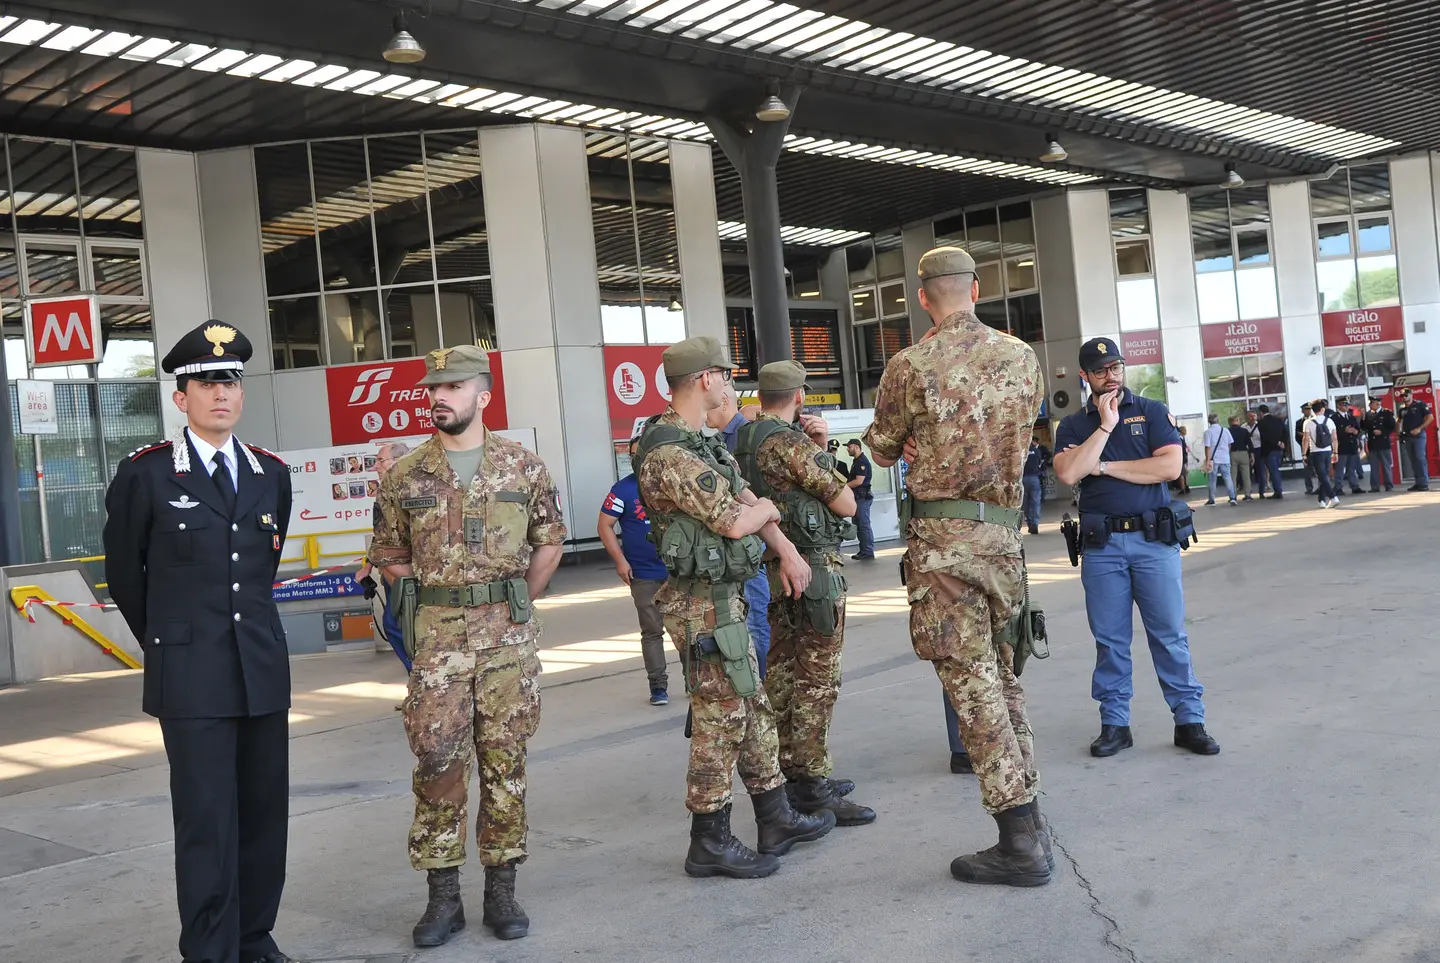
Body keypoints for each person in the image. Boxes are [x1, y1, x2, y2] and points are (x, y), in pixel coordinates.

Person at [103, 322, 296, 963]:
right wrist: (172, 644)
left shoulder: (269, 473)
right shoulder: (148, 474)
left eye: (231, 381)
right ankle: (211, 948)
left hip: (260, 668)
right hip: (191, 677)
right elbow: (130, 579)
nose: (221, 393)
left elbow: (261, 571)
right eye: (206, 383)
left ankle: (254, 935)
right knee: (207, 820)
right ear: (180, 397)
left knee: (265, 813)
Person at [864, 246, 1051, 888]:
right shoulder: (1020, 356)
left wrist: (918, 436)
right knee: (1003, 678)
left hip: (943, 545)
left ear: (923, 298)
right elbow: (1022, 432)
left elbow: (883, 449)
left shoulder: (910, 365)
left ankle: (1017, 840)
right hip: (1002, 540)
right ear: (976, 289)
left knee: (972, 690)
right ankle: (1031, 817)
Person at [369, 345, 567, 947]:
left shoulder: (522, 466)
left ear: (482, 397)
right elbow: (390, 553)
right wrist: (427, 610)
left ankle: (502, 890)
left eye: (453, 388)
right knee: (436, 763)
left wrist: (515, 603)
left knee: (505, 762)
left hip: (507, 643)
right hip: (438, 648)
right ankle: (443, 898)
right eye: (434, 389)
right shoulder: (406, 475)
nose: (439, 397)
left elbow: (549, 540)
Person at [635, 336, 835, 879]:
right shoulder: (670, 450)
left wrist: (785, 546)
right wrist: (768, 509)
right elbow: (735, 518)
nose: (729, 384)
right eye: (725, 374)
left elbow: (745, 498)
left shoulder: (703, 443)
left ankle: (776, 817)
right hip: (699, 604)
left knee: (752, 709)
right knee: (719, 721)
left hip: (724, 599)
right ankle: (710, 840)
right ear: (706, 378)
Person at [1053, 337, 1219, 761]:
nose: (1111, 376)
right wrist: (1106, 427)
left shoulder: (1150, 411)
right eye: (1101, 370)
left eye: (1116, 367)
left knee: (1169, 635)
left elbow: (1169, 467)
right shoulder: (1073, 426)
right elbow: (1070, 473)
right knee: (1110, 640)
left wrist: (1103, 465)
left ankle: (1189, 720)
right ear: (1084, 376)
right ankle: (1115, 724)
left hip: (1153, 542)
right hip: (1102, 547)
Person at [734, 360, 875, 827]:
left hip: (774, 565)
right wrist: (816, 449)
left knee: (782, 670)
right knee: (817, 677)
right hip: (812, 567)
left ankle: (790, 774)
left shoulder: (745, 439)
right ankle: (812, 783)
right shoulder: (789, 441)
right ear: (800, 397)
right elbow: (846, 502)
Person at [598, 437, 671, 706]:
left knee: (691, 629)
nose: (636, 458)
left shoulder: (673, 483)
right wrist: (620, 560)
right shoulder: (623, 490)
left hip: (681, 572)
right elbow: (605, 525)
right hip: (644, 574)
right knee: (652, 631)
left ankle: (694, 679)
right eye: (632, 454)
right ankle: (658, 686)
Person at [710, 384, 772, 675]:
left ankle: (760, 681)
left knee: (755, 620)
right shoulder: (719, 441)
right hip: (736, 546)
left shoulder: (745, 436)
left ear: (723, 401)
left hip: (751, 543)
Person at [358, 441, 414, 671]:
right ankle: (418, 683)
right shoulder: (385, 491)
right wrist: (368, 566)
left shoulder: (411, 489)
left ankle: (422, 684)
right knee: (394, 625)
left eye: (381, 461)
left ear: (398, 461)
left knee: (403, 627)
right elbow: (382, 532)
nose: (376, 466)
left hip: (408, 571)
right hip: (390, 570)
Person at [1303, 399, 1339, 509]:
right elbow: (1335, 438)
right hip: (1328, 451)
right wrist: (1335, 452)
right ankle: (1321, 499)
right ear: (1322, 409)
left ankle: (1333, 497)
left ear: (1313, 410)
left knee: (1322, 475)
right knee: (1324, 475)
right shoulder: (1330, 421)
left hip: (1315, 452)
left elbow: (1305, 439)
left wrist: (1304, 454)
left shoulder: (1308, 422)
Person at [1398, 388, 1433, 491]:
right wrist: (1398, 431)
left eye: (1406, 395)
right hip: (1407, 436)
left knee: (1419, 458)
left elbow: (1430, 418)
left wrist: (1419, 428)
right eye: (1402, 396)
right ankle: (1418, 482)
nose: (1404, 397)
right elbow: (1399, 421)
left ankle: (1424, 483)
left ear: (1411, 395)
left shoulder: (1420, 404)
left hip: (1419, 436)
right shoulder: (1402, 409)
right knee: (1413, 460)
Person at [846, 439, 875, 559]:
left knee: (863, 524)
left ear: (857, 447)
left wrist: (844, 487)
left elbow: (859, 481)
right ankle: (863, 550)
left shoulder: (861, 462)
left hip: (863, 497)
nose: (848, 449)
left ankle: (868, 551)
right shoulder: (857, 461)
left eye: (849, 446)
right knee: (859, 524)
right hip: (858, 497)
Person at [1362, 397, 1397, 492]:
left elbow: (1392, 427)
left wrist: (1382, 432)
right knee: (1374, 466)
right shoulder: (1369, 414)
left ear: (1377, 404)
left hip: (1383, 442)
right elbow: (1364, 427)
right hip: (1373, 444)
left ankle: (1388, 485)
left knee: (1386, 465)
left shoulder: (1387, 413)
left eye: (1371, 404)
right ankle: (1375, 486)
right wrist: (1363, 417)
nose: (1369, 406)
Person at [1202, 413, 1236, 506]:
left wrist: (1208, 460)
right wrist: (1225, 453)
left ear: (1209, 422)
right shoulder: (1225, 430)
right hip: (1225, 458)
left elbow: (1207, 447)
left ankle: (1212, 500)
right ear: (1218, 420)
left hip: (1213, 460)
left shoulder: (1207, 432)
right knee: (1228, 478)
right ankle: (1232, 498)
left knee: (1212, 480)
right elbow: (1229, 444)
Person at [1256, 404, 1288, 499]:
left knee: (1273, 471)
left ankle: (1278, 491)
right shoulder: (1278, 420)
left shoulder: (1261, 423)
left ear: (1261, 412)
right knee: (1276, 470)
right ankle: (1278, 490)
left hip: (1269, 450)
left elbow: (1266, 436)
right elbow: (1285, 431)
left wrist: (1277, 442)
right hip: (1279, 450)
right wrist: (1283, 442)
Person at [1333, 403, 1365, 495]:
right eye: (1344, 405)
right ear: (1338, 406)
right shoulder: (1334, 418)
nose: (1346, 407)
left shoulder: (1351, 416)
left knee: (1352, 468)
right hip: (1342, 446)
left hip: (1352, 446)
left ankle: (1354, 486)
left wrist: (1356, 431)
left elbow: (1357, 428)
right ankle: (1338, 487)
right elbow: (1333, 433)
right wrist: (1344, 431)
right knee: (1339, 469)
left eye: (1347, 405)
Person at [1022, 438, 1050, 534]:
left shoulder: (1022, 452)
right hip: (1034, 478)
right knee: (1035, 502)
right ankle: (1035, 523)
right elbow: (1039, 463)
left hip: (1023, 479)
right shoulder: (1037, 451)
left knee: (1025, 503)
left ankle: (1029, 522)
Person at [1226, 415, 1253, 500]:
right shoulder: (1244, 431)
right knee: (1246, 475)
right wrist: (1252, 455)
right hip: (1243, 453)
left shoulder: (1227, 431)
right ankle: (1247, 494)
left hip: (1232, 454)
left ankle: (1233, 496)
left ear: (1230, 422)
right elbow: (1250, 444)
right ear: (1237, 421)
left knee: (1232, 476)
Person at [1295, 402, 1315, 494]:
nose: (1308, 411)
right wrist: (1304, 443)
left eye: (1309, 409)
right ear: (1302, 411)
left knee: (1319, 470)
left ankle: (1321, 487)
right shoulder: (1299, 422)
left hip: (1316, 448)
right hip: (1306, 450)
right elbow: (1297, 437)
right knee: (1307, 471)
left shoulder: (1316, 420)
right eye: (1306, 409)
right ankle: (1309, 488)